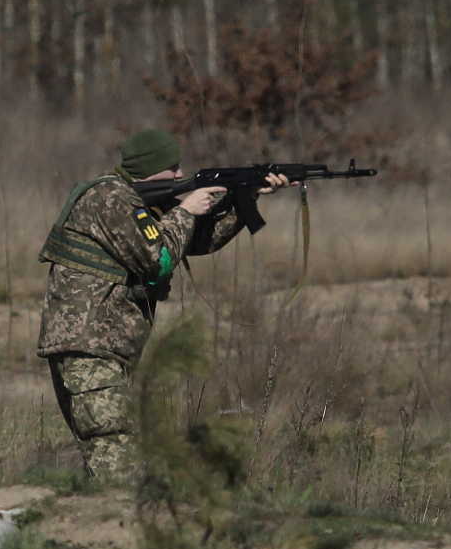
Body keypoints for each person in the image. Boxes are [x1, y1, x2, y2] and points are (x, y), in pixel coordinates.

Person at [35, 127, 287, 485]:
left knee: (110, 447)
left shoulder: (134, 199)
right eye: (172, 168)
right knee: (115, 451)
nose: (180, 174)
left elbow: (193, 240)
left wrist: (248, 198)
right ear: (151, 168)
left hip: (102, 343)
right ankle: (114, 531)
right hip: (89, 343)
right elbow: (157, 258)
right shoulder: (112, 199)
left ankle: (99, 528)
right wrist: (186, 210)